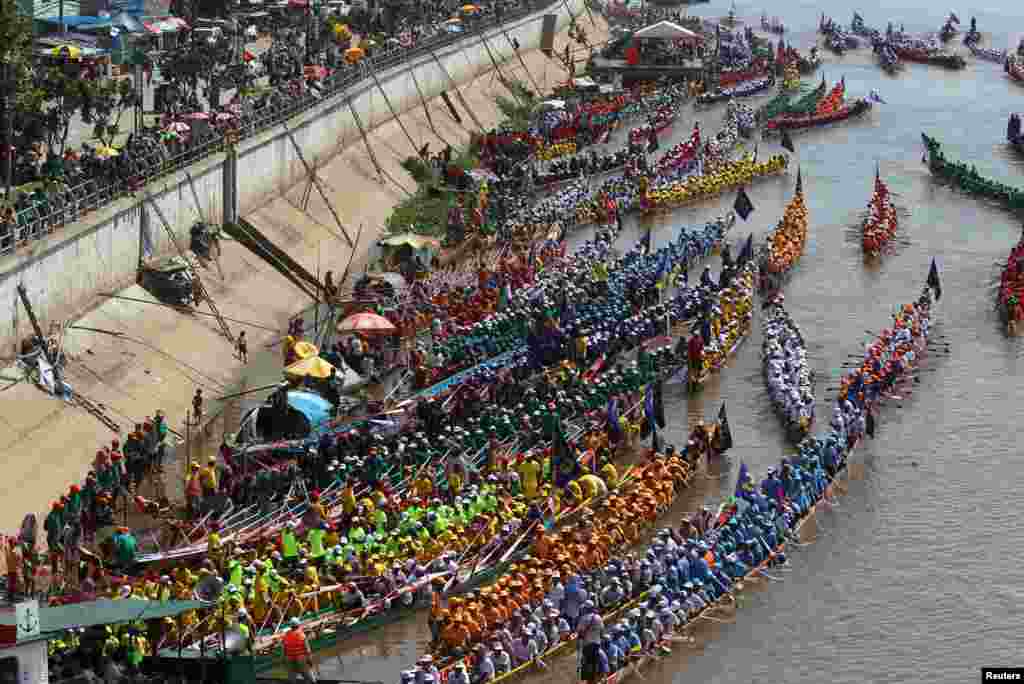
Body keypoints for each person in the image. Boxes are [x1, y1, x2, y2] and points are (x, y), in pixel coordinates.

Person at [576, 600, 605, 684]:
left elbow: (580, 633)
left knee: (586, 663)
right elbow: (602, 631)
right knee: (594, 663)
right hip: (596, 644)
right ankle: (593, 681)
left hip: (587, 645)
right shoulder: (599, 618)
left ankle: (588, 681)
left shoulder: (583, 618)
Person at [283, 617, 315, 682]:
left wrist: (284, 659)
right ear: (298, 625)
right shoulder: (301, 635)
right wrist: (310, 660)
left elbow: (284, 648)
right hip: (300, 658)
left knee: (292, 675)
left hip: (289, 658)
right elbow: (307, 649)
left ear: (291, 626)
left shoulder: (286, 635)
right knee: (307, 674)